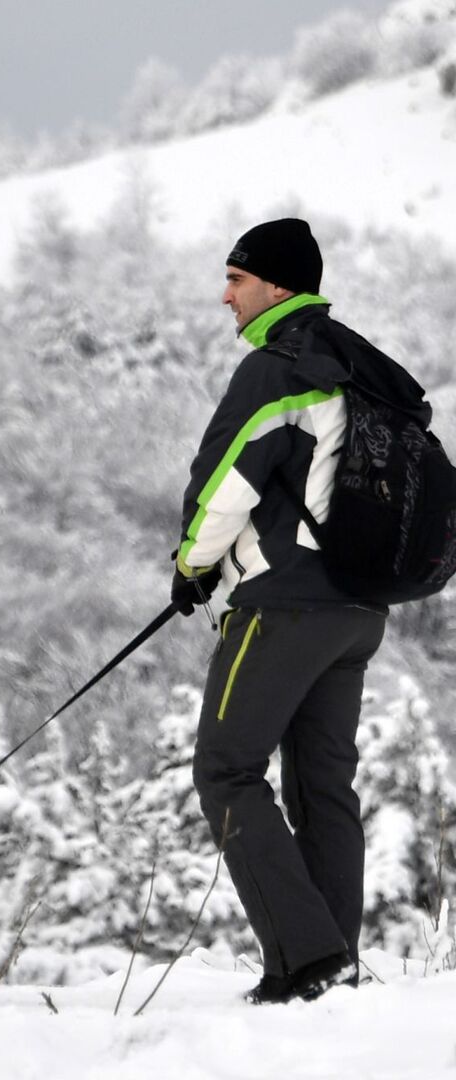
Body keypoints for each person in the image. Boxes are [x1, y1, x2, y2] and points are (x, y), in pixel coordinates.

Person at [173, 217, 429, 1004]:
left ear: (276, 286)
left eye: (237, 280)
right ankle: (329, 967)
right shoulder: (353, 365)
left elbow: (226, 486)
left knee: (224, 768)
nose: (227, 296)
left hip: (283, 606)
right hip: (358, 609)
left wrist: (192, 565)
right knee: (323, 786)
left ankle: (306, 956)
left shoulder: (275, 370)